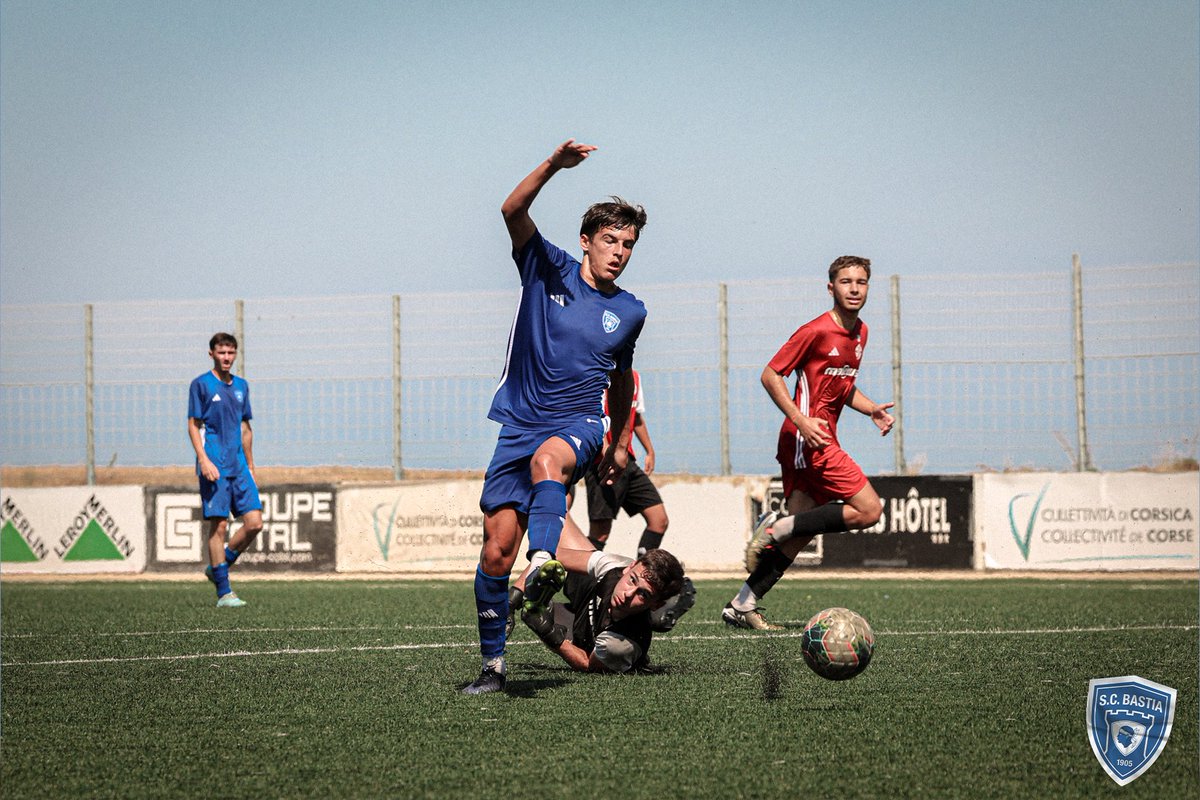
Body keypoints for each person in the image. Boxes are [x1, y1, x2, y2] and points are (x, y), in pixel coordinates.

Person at [463, 139, 649, 695]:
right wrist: (552, 166)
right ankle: (493, 668)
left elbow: (619, 381)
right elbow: (511, 211)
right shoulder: (547, 267)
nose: (619, 252)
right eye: (610, 241)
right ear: (586, 242)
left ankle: (543, 560)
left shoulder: (630, 311)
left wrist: (617, 444)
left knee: (551, 461)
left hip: (579, 424)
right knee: (496, 550)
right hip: (518, 422)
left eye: (629, 244)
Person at [723, 256, 895, 630]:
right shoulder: (815, 330)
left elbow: (842, 387)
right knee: (869, 510)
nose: (854, 288)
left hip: (815, 439)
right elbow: (770, 374)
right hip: (808, 441)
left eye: (861, 282)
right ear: (830, 287)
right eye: (846, 281)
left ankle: (742, 604)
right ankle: (777, 527)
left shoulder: (861, 333)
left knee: (800, 533)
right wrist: (800, 421)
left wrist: (871, 411)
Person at [520, 517, 687, 673]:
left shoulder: (621, 643)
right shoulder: (617, 566)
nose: (628, 594)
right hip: (587, 596)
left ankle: (662, 611)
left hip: (580, 635)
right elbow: (554, 556)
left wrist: (549, 634)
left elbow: (588, 664)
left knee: (536, 612)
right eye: (632, 580)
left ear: (655, 604)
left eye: (642, 594)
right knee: (556, 511)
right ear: (630, 567)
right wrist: (514, 595)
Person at [187, 332, 264, 608]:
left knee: (255, 523)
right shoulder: (201, 385)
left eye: (231, 352)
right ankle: (224, 592)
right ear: (212, 354)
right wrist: (203, 460)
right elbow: (193, 425)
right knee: (219, 526)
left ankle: (219, 566)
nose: (227, 357)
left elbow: (245, 429)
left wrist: (251, 466)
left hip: (239, 467)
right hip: (214, 466)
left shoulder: (242, 386)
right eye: (221, 352)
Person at [583, 369, 670, 556]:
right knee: (600, 533)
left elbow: (636, 418)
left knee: (659, 519)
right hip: (602, 464)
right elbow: (590, 414)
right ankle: (578, 583)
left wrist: (650, 450)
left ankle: (643, 577)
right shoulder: (595, 373)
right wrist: (605, 447)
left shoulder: (634, 377)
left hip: (626, 461)